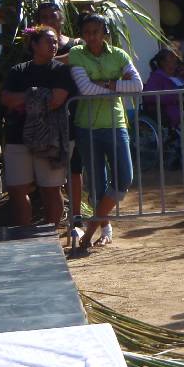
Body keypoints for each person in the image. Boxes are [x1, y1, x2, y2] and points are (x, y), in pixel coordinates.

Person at [68, 13, 143, 250]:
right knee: (97, 182)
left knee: (124, 176)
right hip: (86, 126)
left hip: (116, 123)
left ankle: (91, 228)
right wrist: (116, 85)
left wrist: (107, 85)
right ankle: (104, 229)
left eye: (96, 32)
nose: (92, 36)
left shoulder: (119, 54)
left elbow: (138, 85)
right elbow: (86, 89)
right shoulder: (77, 54)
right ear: (82, 34)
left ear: (105, 33)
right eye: (87, 32)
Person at [0, 26, 76, 226]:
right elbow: (7, 99)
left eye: (55, 41)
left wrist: (25, 97)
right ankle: (25, 235)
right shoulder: (18, 71)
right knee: (17, 189)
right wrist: (36, 94)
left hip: (52, 139)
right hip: (17, 137)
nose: (54, 45)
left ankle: (50, 236)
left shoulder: (62, 71)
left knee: (51, 189)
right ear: (34, 44)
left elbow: (56, 100)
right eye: (48, 41)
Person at [36, 2, 86, 228]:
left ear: (62, 19)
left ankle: (76, 218)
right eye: (44, 17)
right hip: (44, 120)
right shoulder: (33, 47)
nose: (49, 20)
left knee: (75, 169)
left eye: (53, 16)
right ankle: (54, 222)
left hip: (74, 115)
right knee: (51, 173)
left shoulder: (76, 45)